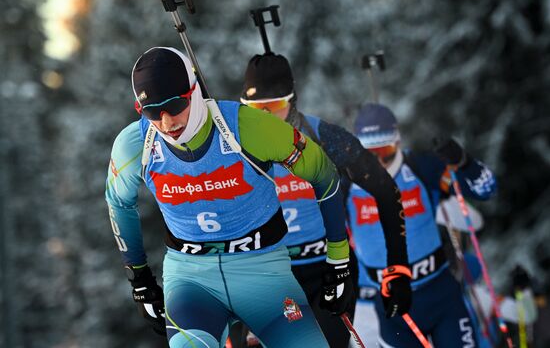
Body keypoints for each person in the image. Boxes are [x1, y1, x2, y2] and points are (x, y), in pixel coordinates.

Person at [105, 45, 368, 348]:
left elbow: (324, 175)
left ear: (194, 90)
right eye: (152, 112)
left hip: (262, 272)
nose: (167, 123)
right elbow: (119, 202)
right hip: (191, 279)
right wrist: (139, 279)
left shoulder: (248, 127)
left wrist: (338, 261)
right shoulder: (135, 144)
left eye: (176, 105)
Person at [238, 52, 412, 347]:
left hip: (329, 271)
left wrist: (398, 267)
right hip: (272, 275)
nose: (264, 116)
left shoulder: (325, 137)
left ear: (292, 101)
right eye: (256, 108)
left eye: (274, 105)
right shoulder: (234, 144)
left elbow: (385, 190)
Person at [347, 103, 498, 347]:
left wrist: (465, 163)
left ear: (397, 141)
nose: (380, 163)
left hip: (440, 296)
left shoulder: (421, 168)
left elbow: (486, 189)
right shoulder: (345, 183)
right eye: (369, 153)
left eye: (385, 150)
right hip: (393, 310)